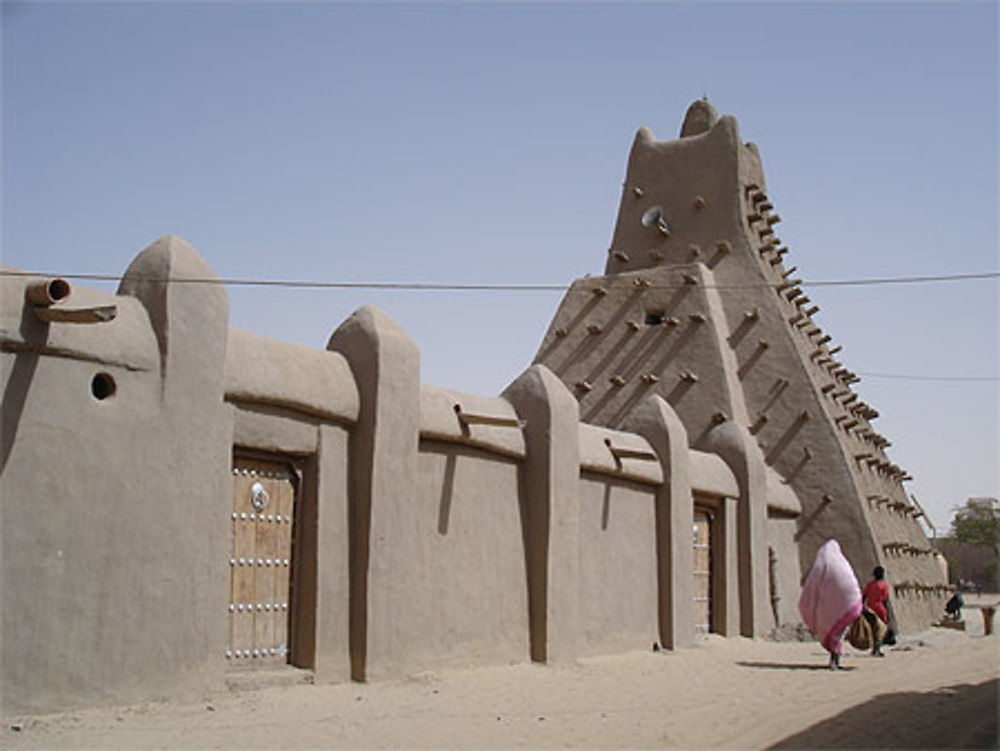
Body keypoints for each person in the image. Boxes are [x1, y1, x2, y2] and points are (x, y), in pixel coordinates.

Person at [798, 539, 863, 670]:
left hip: (836, 608)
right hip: (852, 606)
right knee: (839, 632)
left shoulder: (822, 563)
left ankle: (834, 660)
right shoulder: (843, 564)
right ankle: (836, 659)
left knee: (834, 633)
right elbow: (852, 584)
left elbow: (812, 585)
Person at [862, 566, 891, 656]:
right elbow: (885, 600)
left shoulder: (870, 585)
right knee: (880, 630)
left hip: (870, 608)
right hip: (880, 609)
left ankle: (874, 649)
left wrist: (862, 607)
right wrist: (887, 611)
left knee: (872, 629)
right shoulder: (884, 586)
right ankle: (877, 649)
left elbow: (864, 597)